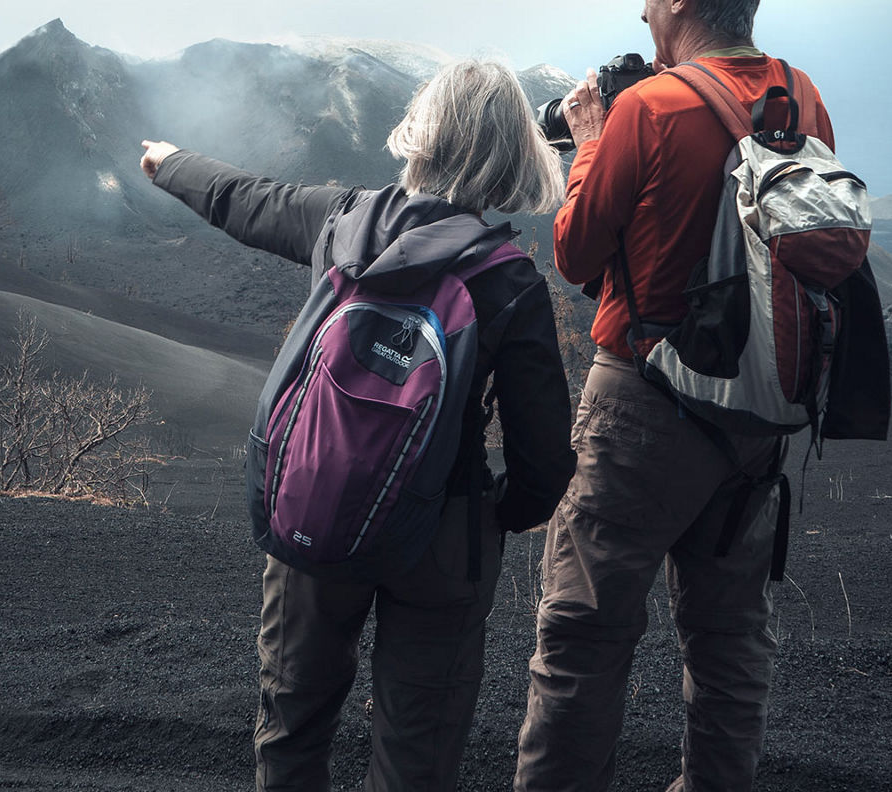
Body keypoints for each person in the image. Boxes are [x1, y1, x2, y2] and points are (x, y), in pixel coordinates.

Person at [139, 58, 577, 792]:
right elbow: (543, 462)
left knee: (291, 721)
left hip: (319, 501)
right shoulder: (507, 280)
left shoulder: (343, 221)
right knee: (416, 747)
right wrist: (497, 515)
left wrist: (167, 161)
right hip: (442, 535)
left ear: (423, 133)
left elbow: (244, 198)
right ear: (510, 155)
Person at [514, 0, 836, 792]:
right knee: (729, 641)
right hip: (758, 415)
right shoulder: (800, 97)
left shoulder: (649, 109)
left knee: (583, 634)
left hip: (643, 410)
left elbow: (577, 257)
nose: (644, 5)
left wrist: (588, 144)